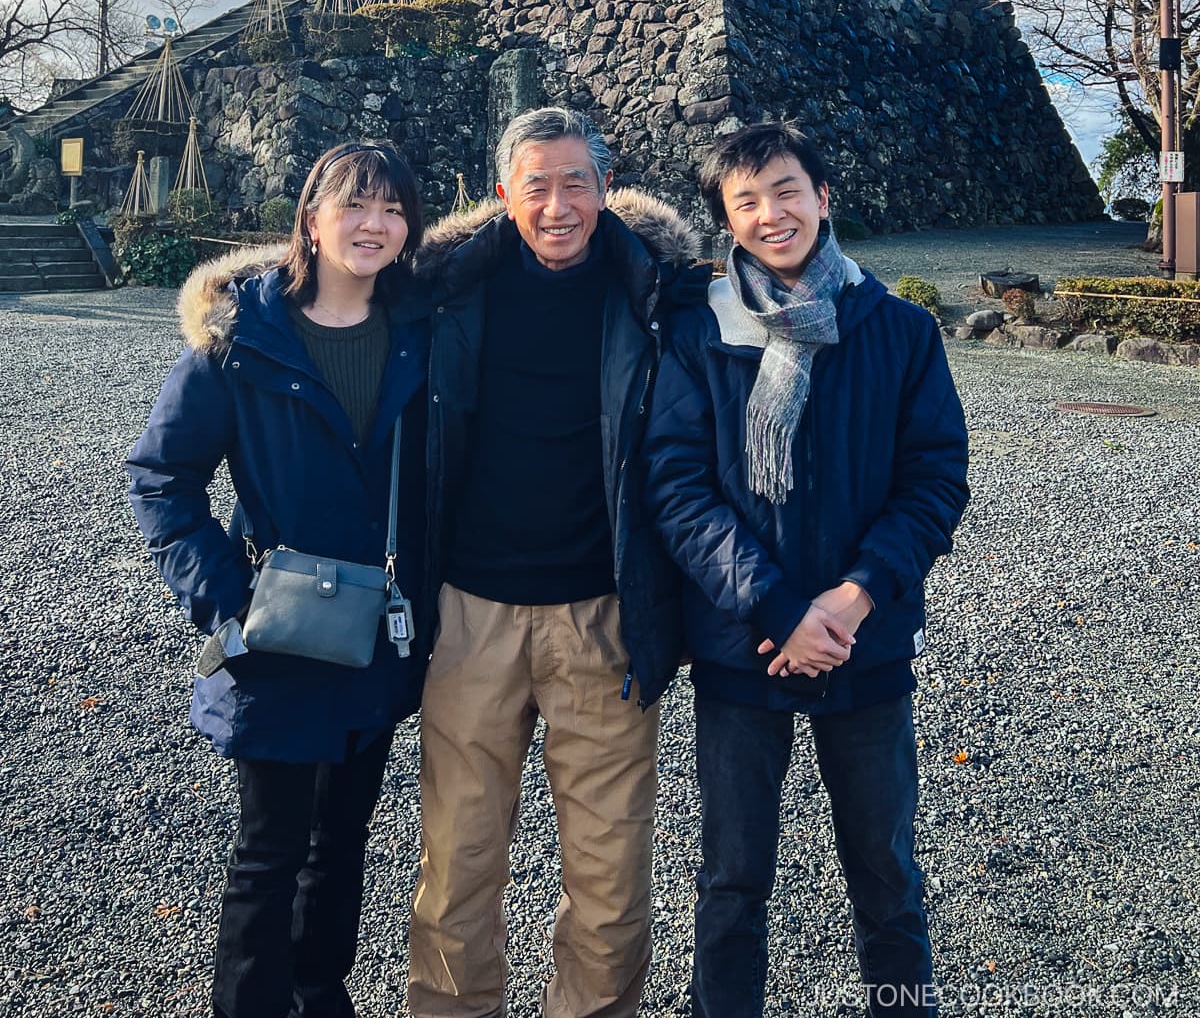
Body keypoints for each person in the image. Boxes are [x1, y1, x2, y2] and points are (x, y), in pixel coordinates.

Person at [644, 123, 969, 1018]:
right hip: (741, 646)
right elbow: (677, 489)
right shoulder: (700, 331)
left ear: (824, 196)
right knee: (733, 882)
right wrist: (779, 606)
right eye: (745, 201)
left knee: (887, 875)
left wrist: (854, 597)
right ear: (726, 220)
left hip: (864, 646)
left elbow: (934, 480)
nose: (770, 213)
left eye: (786, 191)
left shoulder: (898, 329)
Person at [407, 106, 708, 1018]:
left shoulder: (656, 291)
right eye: (535, 184)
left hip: (603, 614)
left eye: (576, 182)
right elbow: (324, 281)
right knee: (457, 866)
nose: (557, 204)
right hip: (469, 614)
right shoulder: (446, 286)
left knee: (611, 876)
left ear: (607, 190)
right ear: (502, 193)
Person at [127, 141, 429, 1018]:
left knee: (344, 838)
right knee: (269, 849)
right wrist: (227, 598)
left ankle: (318, 986)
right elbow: (162, 477)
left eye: (394, 208)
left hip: (379, 631)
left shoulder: (418, 334)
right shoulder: (243, 338)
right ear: (310, 217)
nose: (375, 224)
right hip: (279, 634)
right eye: (355, 204)